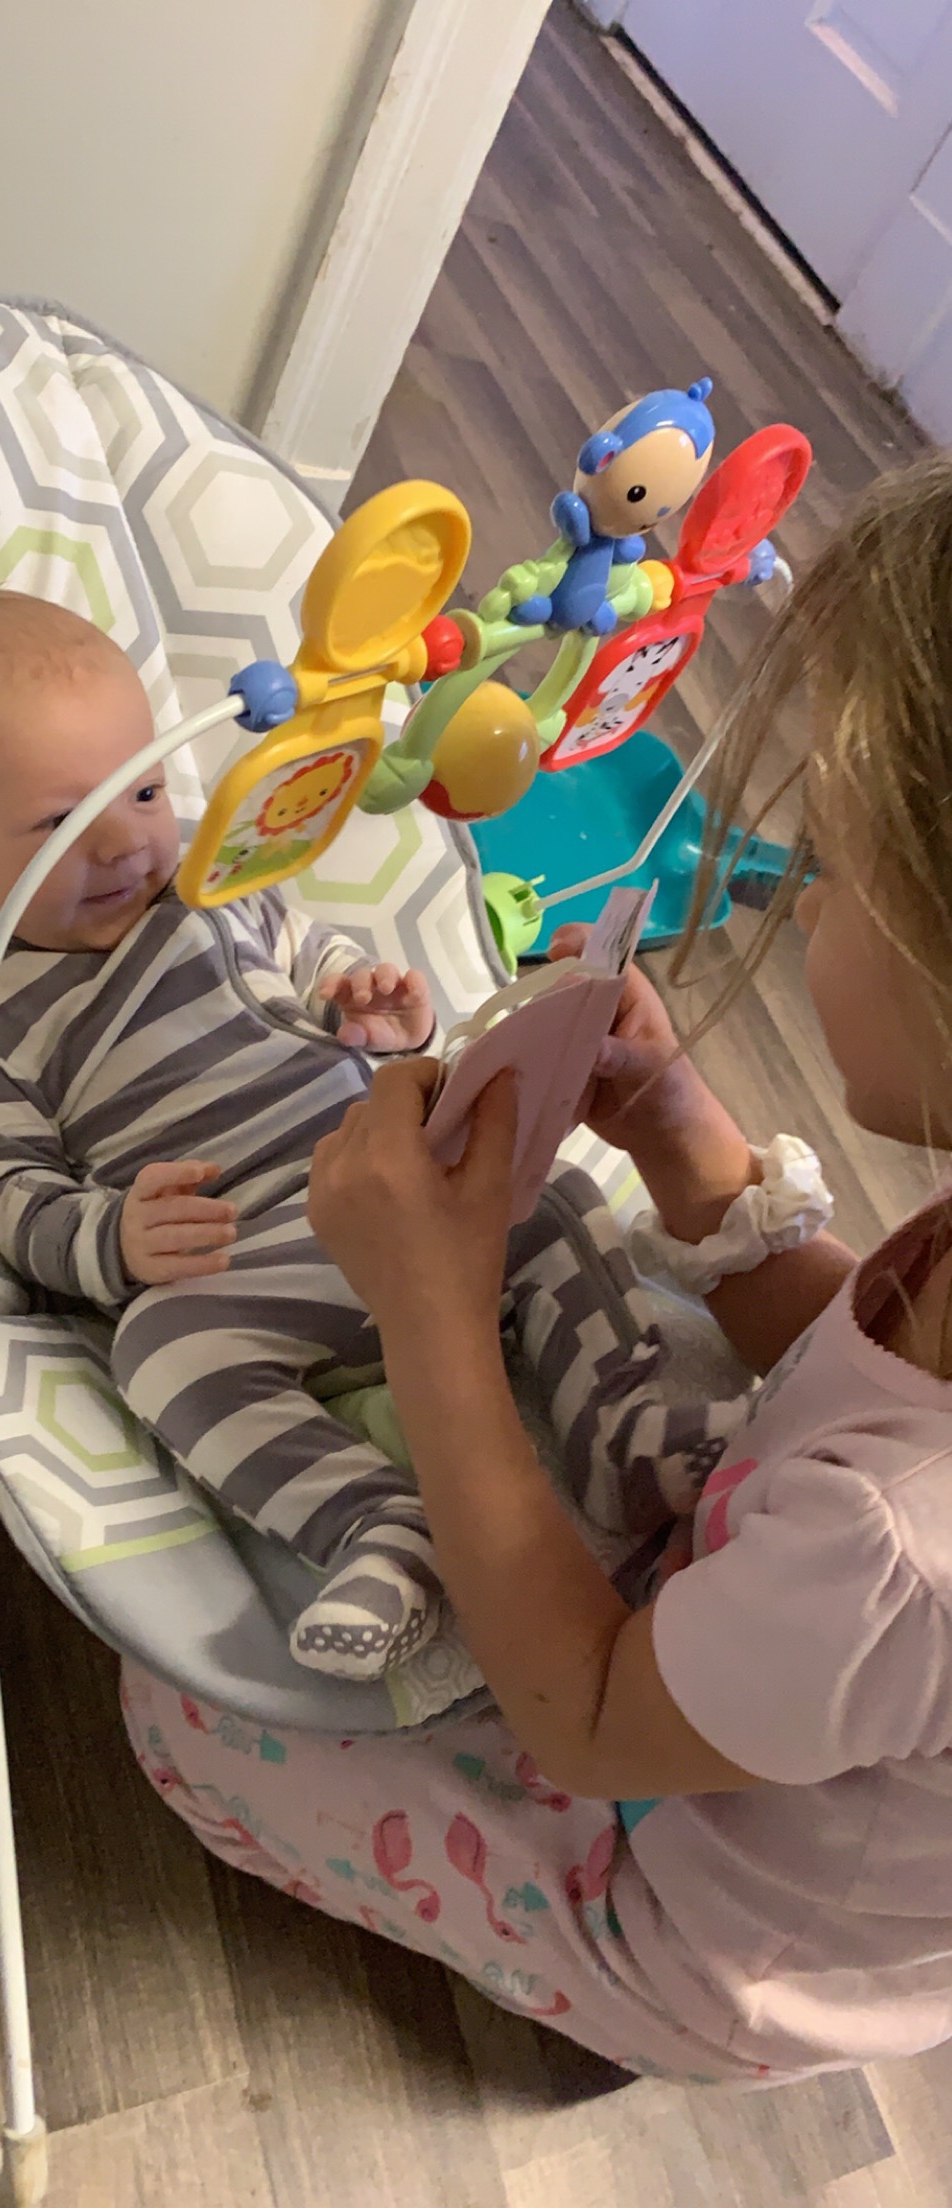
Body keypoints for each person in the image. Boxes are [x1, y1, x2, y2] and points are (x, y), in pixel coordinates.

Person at [121, 454, 952, 2085]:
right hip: (788, 1660)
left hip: (691, 1920)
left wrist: (428, 1314)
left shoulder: (899, 1551)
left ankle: (602, 2000)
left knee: (185, 1721)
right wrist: (683, 1141)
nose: (806, 915)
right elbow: (860, 1351)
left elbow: (581, 1713)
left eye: (845, 873)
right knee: (633, 1346)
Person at [0, 587, 727, 1690]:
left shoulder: (216, 889)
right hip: (254, 1261)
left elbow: (321, 969)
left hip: (402, 1197)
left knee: (547, 1195)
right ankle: (380, 1531)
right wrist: (111, 1238)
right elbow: (4, 1187)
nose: (125, 844)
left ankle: (616, 1431)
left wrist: (379, 1013)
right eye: (62, 825)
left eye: (146, 791)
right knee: (159, 1351)